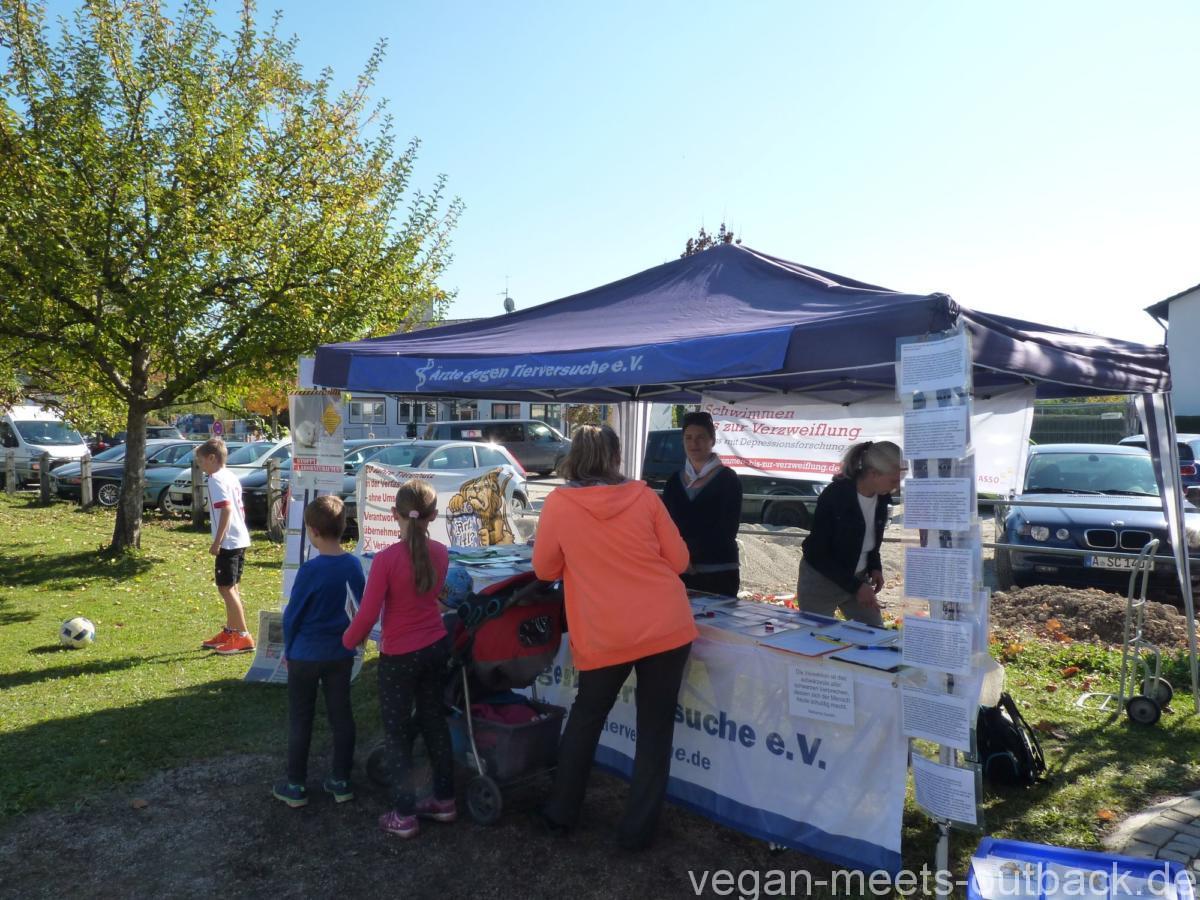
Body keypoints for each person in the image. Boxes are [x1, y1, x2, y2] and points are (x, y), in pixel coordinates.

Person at [533, 425, 696, 850]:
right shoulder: (643, 497)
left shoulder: (559, 504)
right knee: (655, 731)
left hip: (606, 632)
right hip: (665, 624)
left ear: (573, 458)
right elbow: (679, 560)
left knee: (586, 719)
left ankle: (560, 814)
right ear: (616, 456)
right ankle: (637, 833)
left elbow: (545, 570)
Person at [343, 480, 455, 839]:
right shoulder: (441, 552)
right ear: (433, 516)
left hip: (400, 656)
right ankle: (444, 799)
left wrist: (346, 641)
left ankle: (404, 813)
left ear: (394, 516)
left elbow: (367, 615)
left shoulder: (387, 560)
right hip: (436, 646)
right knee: (435, 722)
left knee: (396, 733)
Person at [273, 495, 366, 809]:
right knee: (342, 716)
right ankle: (341, 781)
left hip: (305, 655)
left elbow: (293, 615)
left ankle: (295, 784)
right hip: (339, 653)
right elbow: (360, 608)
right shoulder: (353, 565)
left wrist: (288, 647)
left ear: (311, 531)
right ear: (343, 527)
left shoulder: (309, 571)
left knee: (301, 718)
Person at [797, 440, 904, 628]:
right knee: (815, 639)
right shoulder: (835, 496)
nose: (897, 487)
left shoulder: (881, 497)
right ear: (873, 474)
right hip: (821, 582)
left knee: (875, 633)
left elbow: (870, 540)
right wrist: (856, 587)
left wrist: (874, 566)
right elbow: (816, 552)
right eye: (893, 480)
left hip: (857, 580)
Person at [660, 411, 742, 597]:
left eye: (700, 437)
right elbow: (665, 525)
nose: (693, 443)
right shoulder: (674, 480)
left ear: (712, 440)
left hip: (718, 570)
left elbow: (727, 529)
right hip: (680, 570)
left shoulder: (728, 479)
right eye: (688, 438)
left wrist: (687, 555)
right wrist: (678, 557)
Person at [196, 438, 256, 655]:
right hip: (240, 538)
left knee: (226, 588)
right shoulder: (230, 476)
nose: (200, 465)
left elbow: (227, 510)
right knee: (232, 587)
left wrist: (218, 541)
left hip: (230, 541)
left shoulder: (216, 479)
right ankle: (231, 631)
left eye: (201, 461)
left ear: (212, 458)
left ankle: (242, 636)